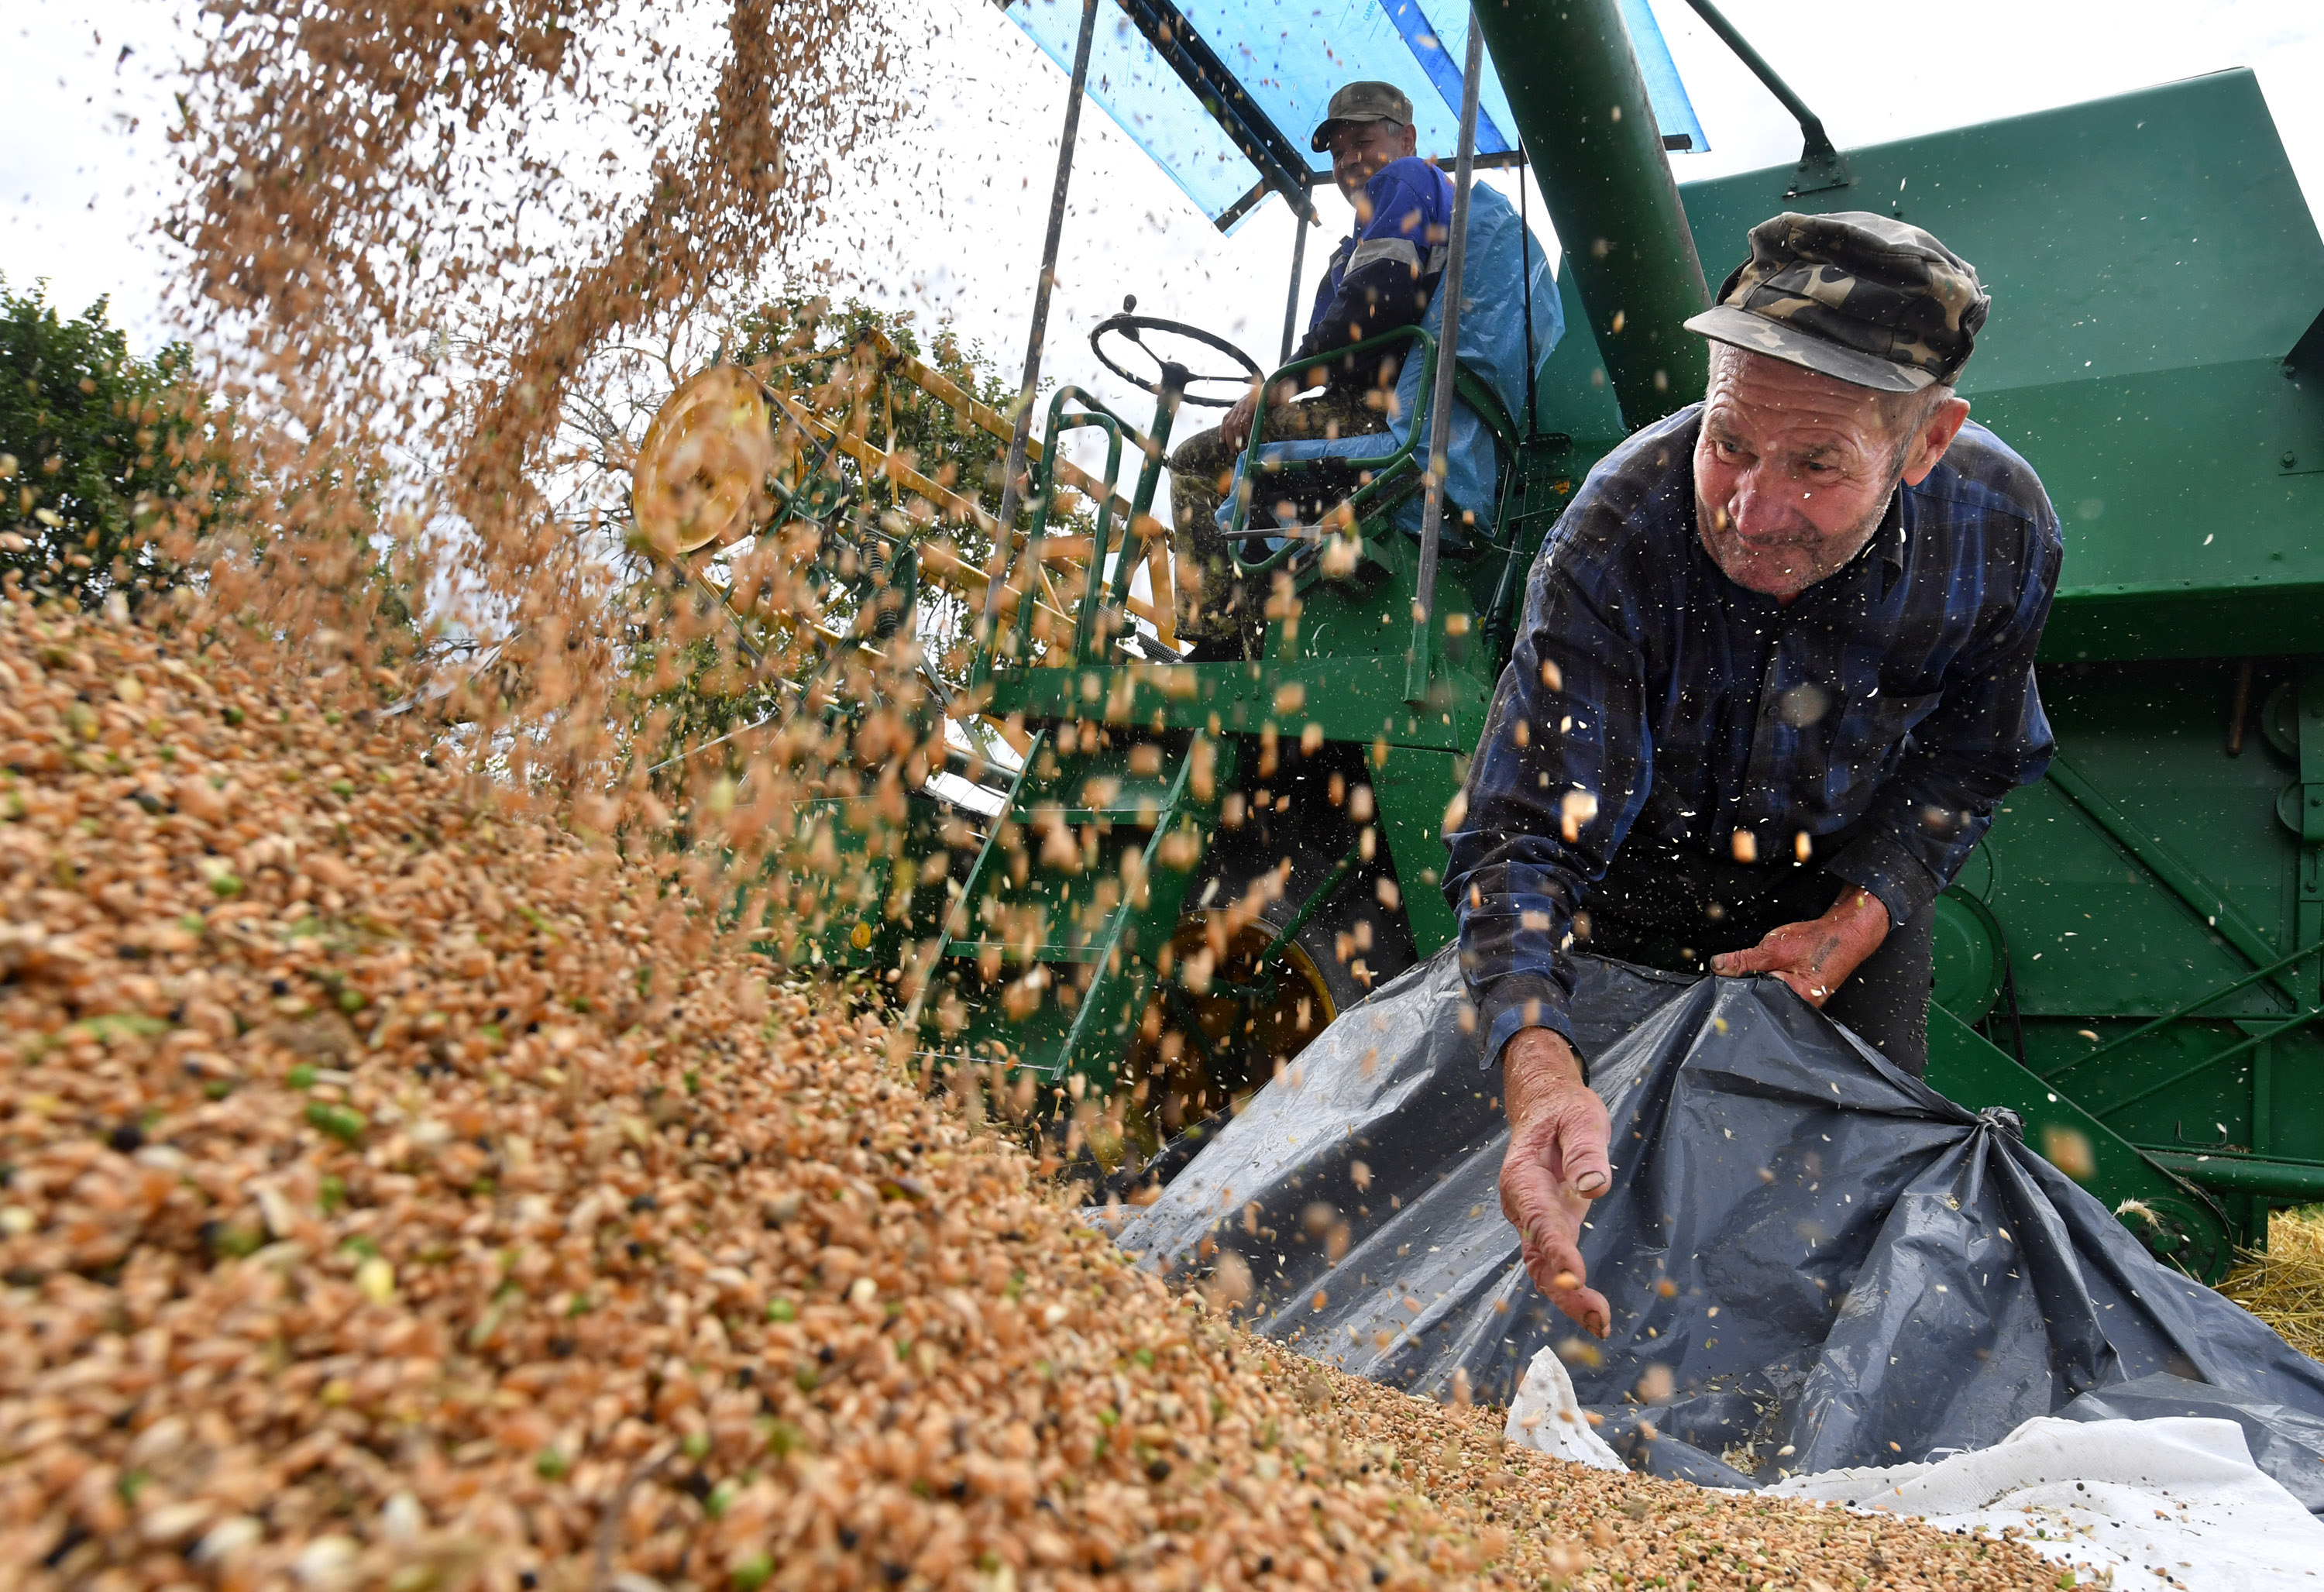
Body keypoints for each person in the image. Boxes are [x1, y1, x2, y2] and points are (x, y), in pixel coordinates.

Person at [1442, 212, 2061, 1340]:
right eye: (1730, 441)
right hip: (1627, 877)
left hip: (1834, 886)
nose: (1751, 507)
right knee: (1595, 1179)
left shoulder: (1999, 530)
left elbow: (1978, 752)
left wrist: (1861, 914)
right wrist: (1538, 1065)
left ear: (1926, 444)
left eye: (1818, 464)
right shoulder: (1621, 525)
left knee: (1836, 1192)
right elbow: (1521, 830)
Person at [1167, 81, 1457, 655]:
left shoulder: (1406, 181)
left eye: (1363, 141)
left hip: (1377, 415)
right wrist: (1279, 387)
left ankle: (1223, 639)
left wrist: (1275, 389)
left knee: (1196, 462)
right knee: (1254, 462)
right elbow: (1328, 335)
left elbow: (1372, 305)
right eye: (1338, 150)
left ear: (1407, 138)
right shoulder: (1354, 244)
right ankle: (1260, 622)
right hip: (1365, 407)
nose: (1349, 161)